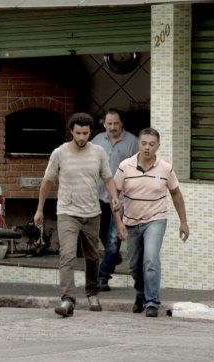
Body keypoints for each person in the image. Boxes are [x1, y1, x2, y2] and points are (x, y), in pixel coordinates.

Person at [33, 112, 120, 317]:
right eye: (78, 133)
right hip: (67, 212)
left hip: (92, 212)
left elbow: (108, 178)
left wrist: (114, 196)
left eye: (86, 133)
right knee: (67, 255)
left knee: (92, 257)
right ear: (71, 131)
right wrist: (39, 209)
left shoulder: (98, 152)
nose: (82, 137)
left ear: (91, 132)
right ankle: (67, 300)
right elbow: (47, 181)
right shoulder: (60, 153)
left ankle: (92, 292)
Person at [113, 127, 189, 318]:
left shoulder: (165, 168)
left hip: (156, 220)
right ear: (139, 144)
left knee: (151, 259)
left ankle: (152, 302)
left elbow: (176, 194)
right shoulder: (125, 167)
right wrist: (118, 222)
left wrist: (183, 222)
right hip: (131, 221)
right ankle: (141, 294)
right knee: (134, 265)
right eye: (144, 143)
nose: (147, 148)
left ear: (158, 146)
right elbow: (114, 195)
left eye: (152, 144)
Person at [90, 109, 138, 292]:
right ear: (104, 124)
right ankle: (114, 256)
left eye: (115, 123)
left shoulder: (132, 143)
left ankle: (103, 277)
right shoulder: (97, 141)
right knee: (101, 234)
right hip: (99, 197)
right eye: (109, 124)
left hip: (122, 199)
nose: (112, 127)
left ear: (121, 123)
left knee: (113, 238)